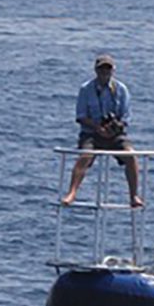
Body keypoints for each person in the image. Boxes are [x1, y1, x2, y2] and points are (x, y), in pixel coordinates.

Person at [60, 53, 142, 207]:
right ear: (96, 70)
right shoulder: (86, 89)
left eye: (108, 69)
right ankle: (72, 193)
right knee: (85, 156)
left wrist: (115, 128)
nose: (105, 72)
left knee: (131, 155)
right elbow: (81, 116)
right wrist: (97, 128)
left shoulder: (121, 89)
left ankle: (134, 196)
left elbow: (126, 117)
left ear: (113, 70)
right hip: (91, 133)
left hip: (114, 135)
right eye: (101, 69)